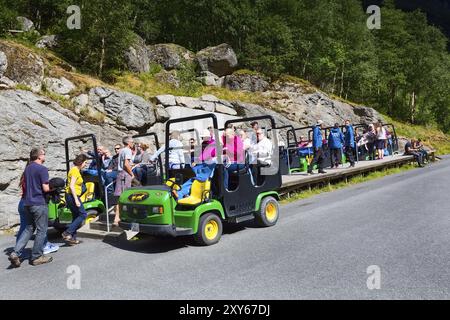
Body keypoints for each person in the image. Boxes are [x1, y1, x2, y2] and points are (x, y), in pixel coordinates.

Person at [8, 148, 53, 267]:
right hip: (39, 203)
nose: (45, 156)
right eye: (44, 154)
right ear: (39, 156)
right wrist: (54, 188)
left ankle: (16, 253)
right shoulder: (42, 169)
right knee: (42, 230)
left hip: (27, 203)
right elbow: (46, 189)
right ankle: (36, 257)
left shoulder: (27, 169)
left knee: (29, 229)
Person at [62, 154, 89, 245]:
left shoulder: (76, 170)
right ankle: (67, 233)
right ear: (81, 162)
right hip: (72, 195)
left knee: (75, 216)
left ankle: (72, 239)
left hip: (70, 195)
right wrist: (76, 200)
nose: (86, 164)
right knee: (83, 214)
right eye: (85, 162)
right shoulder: (74, 170)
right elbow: (72, 186)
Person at [113, 136, 135, 226]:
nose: (133, 143)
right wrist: (132, 174)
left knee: (120, 196)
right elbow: (126, 164)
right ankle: (121, 218)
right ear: (129, 143)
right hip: (125, 174)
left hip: (120, 174)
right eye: (132, 142)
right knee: (126, 196)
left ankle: (117, 217)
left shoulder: (121, 150)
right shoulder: (128, 150)